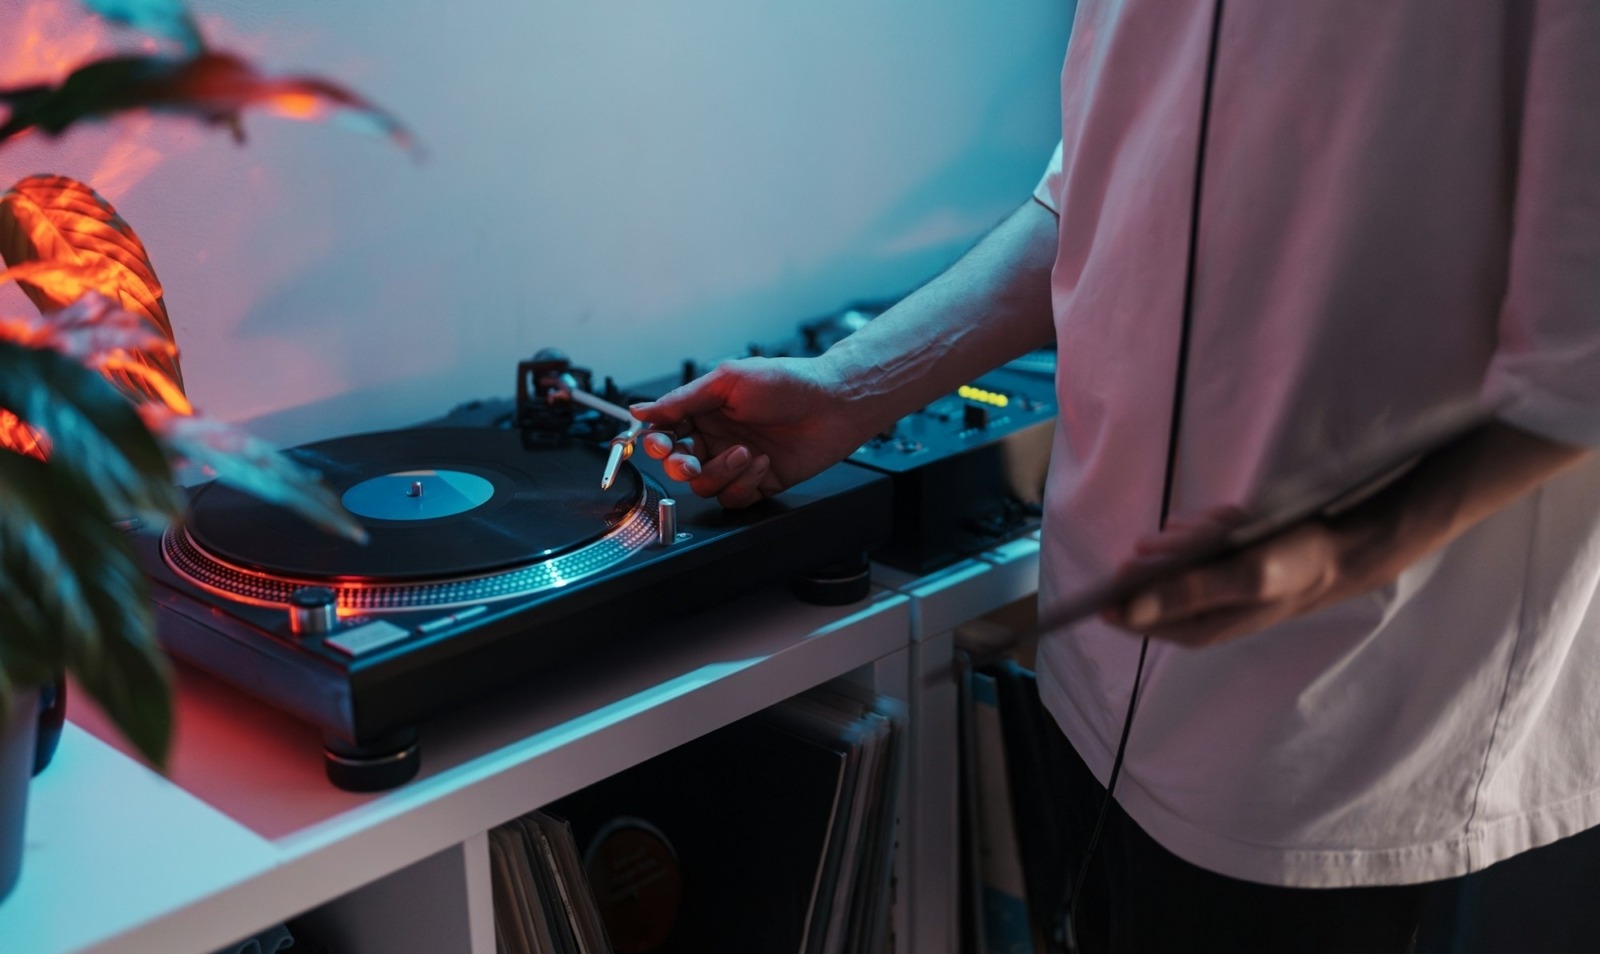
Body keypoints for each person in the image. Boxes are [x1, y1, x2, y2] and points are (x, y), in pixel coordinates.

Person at [631, 2, 1600, 951]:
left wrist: (1335, 553)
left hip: (1358, 709)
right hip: (1096, 665)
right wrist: (852, 388)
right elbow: (1098, 187)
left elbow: (1580, 362)